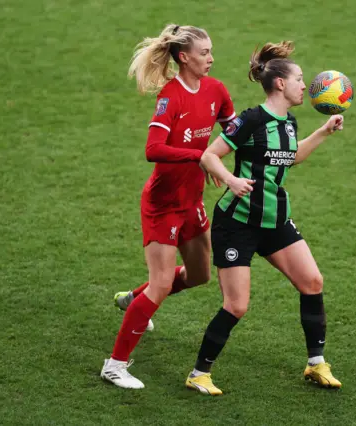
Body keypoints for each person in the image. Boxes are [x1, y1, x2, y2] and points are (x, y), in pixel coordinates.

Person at [184, 41, 344, 395]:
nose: (306, 85)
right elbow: (209, 156)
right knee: (237, 305)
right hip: (237, 224)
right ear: (281, 84)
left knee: (312, 282)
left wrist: (323, 132)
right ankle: (199, 373)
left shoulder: (289, 121)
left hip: (275, 219)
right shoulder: (251, 119)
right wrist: (231, 180)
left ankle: (316, 364)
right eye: (300, 79)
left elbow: (291, 157)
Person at [100, 23, 236, 390]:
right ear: (183, 57)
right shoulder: (170, 97)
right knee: (161, 285)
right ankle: (115, 365)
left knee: (199, 275)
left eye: (210, 51)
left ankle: (134, 300)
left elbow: (233, 130)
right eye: (204, 52)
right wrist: (203, 156)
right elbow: (153, 149)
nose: (211, 58)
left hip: (191, 201)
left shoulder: (216, 90)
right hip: (163, 205)